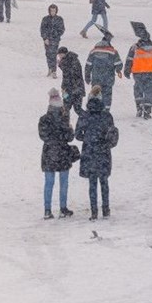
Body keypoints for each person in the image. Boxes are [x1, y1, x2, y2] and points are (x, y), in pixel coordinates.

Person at [76, 90, 118, 220]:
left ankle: (94, 211)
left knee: (92, 183)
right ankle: (106, 209)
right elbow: (112, 134)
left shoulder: (84, 115)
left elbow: (77, 134)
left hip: (89, 151)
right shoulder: (107, 116)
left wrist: (87, 138)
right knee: (104, 181)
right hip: (103, 151)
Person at [39, 88, 75, 219]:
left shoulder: (44, 119)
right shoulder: (64, 119)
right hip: (63, 152)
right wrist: (68, 130)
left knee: (49, 182)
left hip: (49, 152)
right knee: (63, 182)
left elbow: (42, 136)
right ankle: (63, 208)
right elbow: (70, 137)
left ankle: (47, 210)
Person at [124, 30, 152, 119]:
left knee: (138, 90)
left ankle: (139, 107)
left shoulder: (134, 47)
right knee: (149, 91)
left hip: (138, 72)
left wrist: (127, 70)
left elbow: (129, 59)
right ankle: (147, 110)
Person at [84, 30, 123, 111]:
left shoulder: (93, 51)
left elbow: (88, 65)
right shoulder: (113, 52)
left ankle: (94, 108)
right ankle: (106, 110)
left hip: (96, 77)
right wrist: (118, 70)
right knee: (107, 95)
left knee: (95, 93)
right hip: (108, 78)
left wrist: (87, 76)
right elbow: (119, 64)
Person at [56, 47, 86, 116]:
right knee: (66, 108)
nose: (59, 56)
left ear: (64, 53)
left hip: (75, 89)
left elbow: (72, 73)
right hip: (67, 89)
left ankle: (88, 119)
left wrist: (62, 64)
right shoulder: (65, 60)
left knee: (77, 108)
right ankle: (64, 123)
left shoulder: (74, 60)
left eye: (60, 54)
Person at [40, 4, 65, 78]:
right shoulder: (45, 19)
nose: (53, 12)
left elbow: (62, 29)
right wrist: (45, 38)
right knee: (48, 54)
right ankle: (50, 68)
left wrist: (55, 35)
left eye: (54, 11)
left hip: (55, 40)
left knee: (53, 54)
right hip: (47, 40)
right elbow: (42, 29)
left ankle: (54, 70)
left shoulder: (59, 19)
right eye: (51, 11)